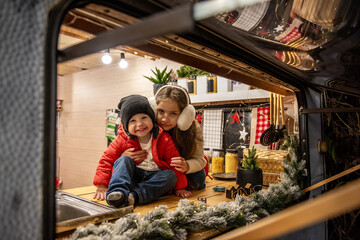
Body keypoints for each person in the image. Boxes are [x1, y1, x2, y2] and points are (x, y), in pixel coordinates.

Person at [93, 94, 189, 207]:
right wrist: (102, 185)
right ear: (125, 126)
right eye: (132, 121)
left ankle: (134, 196)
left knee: (170, 175)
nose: (139, 124)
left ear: (152, 119)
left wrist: (180, 187)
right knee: (123, 160)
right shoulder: (121, 140)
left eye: (144, 117)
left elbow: (174, 161)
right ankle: (117, 192)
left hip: (154, 177)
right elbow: (106, 160)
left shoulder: (163, 138)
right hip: (132, 176)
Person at [123, 86, 207, 197]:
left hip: (178, 170)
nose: (164, 119)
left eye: (173, 114)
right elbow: (118, 147)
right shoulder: (145, 124)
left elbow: (200, 160)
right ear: (153, 108)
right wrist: (123, 155)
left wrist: (187, 165)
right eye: (161, 111)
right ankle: (139, 193)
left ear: (184, 116)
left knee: (198, 176)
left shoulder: (194, 129)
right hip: (154, 170)